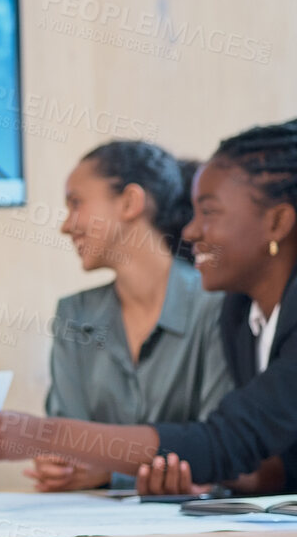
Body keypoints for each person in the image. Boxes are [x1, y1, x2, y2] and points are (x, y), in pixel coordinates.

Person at [0, 117, 297, 496]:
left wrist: (41, 434)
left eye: (210, 213)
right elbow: (268, 458)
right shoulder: (240, 313)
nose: (191, 231)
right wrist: (182, 473)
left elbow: (224, 442)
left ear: (277, 222)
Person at [32, 142, 233, 492]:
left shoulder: (216, 307)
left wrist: (111, 471)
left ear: (129, 202)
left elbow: (222, 449)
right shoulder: (74, 315)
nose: (66, 226)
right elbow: (70, 444)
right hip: (89, 525)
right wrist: (58, 464)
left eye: (76, 203)